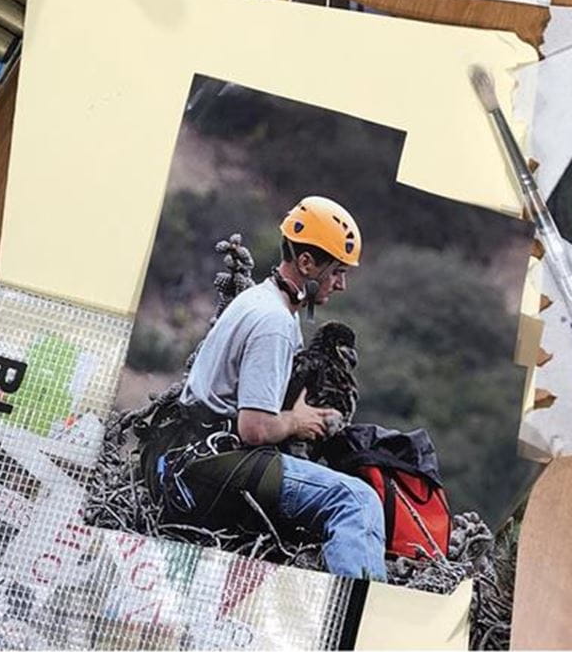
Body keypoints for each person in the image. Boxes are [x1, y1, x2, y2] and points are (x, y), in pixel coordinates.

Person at [140, 195, 387, 581]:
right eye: (337, 271)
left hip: (183, 458)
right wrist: (296, 421)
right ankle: (359, 608)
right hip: (207, 469)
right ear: (307, 263)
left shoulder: (258, 298)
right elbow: (253, 429)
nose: (341, 284)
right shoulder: (274, 322)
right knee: (357, 500)